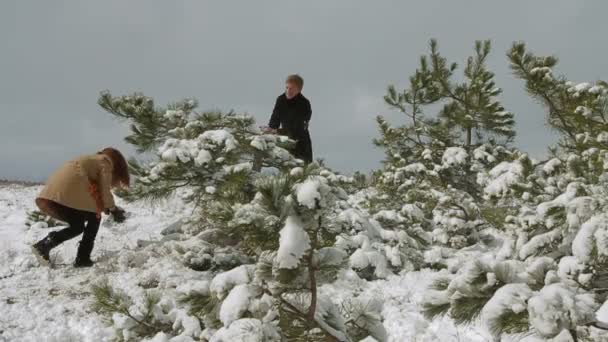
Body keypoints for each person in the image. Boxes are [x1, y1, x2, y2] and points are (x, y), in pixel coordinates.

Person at [31, 148, 129, 267]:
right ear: (117, 162)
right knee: (95, 218)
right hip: (71, 192)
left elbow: (93, 192)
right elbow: (104, 189)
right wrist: (113, 209)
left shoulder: (91, 160)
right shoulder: (105, 162)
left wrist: (106, 206)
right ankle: (82, 258)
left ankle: (44, 245)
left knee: (77, 226)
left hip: (57, 193)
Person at [265, 74, 313, 163]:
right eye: (287, 88)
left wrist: (279, 131)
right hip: (286, 138)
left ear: (299, 90)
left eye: (291, 89)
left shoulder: (304, 103)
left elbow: (298, 126)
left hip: (301, 141)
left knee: (304, 167)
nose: (288, 91)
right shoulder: (281, 100)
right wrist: (271, 129)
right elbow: (275, 118)